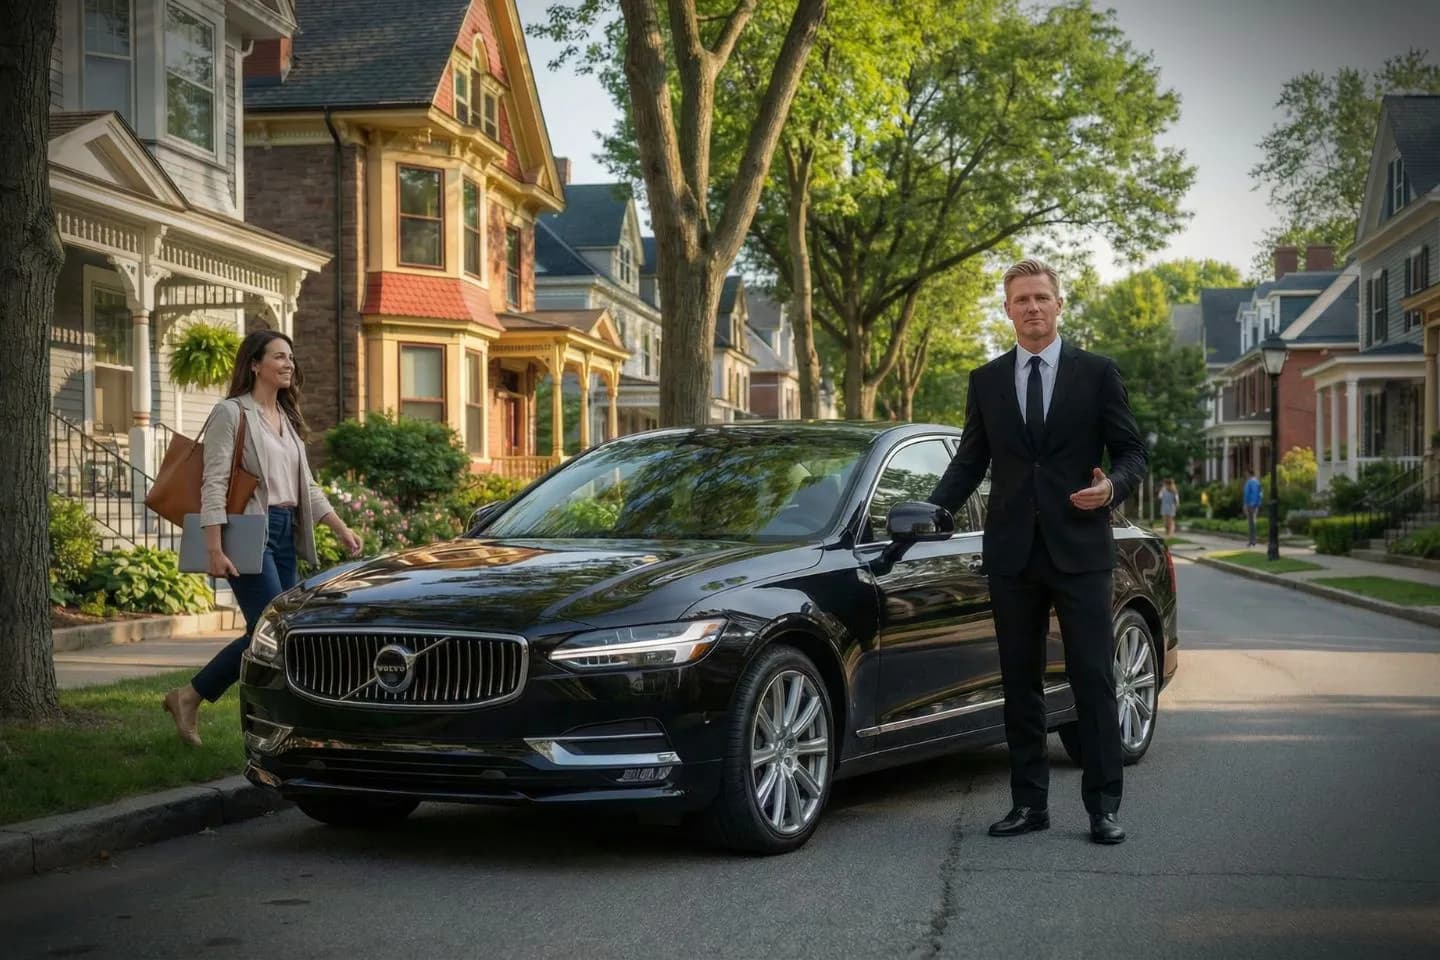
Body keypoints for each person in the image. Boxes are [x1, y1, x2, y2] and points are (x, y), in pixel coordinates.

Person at [928, 257, 1146, 845]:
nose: (1032, 308)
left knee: (1093, 678)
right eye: (1020, 299)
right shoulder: (987, 380)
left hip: (1080, 550)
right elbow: (970, 460)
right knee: (1018, 681)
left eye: (1041, 298)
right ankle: (1030, 804)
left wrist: (1112, 488)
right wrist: (934, 508)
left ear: (1059, 304)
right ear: (1007, 310)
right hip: (1013, 555)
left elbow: (1132, 452)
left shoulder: (1097, 373)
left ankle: (1103, 806)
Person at [162, 330, 362, 746]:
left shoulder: (287, 420)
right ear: (255, 364)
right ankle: (191, 696)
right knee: (267, 631)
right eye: (279, 357)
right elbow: (214, 483)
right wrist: (214, 548)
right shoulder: (232, 413)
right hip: (248, 531)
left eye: (290, 357)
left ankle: (288, 722)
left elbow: (305, 485)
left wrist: (341, 528)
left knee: (287, 633)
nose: (289, 364)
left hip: (285, 531)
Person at [1243, 471, 1263, 546]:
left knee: (1251, 523)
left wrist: (1251, 504)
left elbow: (1250, 494)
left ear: (1249, 474)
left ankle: (1252, 540)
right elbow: (1260, 494)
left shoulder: (1251, 482)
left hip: (1251, 505)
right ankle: (1252, 540)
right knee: (1252, 522)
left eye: (1246, 474)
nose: (1245, 475)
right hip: (1253, 505)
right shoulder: (1256, 482)